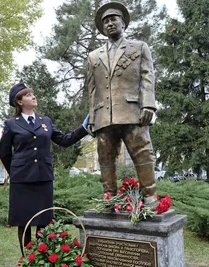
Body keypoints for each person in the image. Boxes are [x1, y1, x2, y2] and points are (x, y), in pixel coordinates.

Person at [0, 82, 89, 256]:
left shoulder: (45, 121)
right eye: (28, 94)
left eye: (33, 93)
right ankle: (26, 259)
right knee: (23, 223)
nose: (34, 96)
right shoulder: (11, 124)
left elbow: (64, 140)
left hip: (43, 178)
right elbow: (4, 154)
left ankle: (41, 258)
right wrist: (16, 172)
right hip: (22, 181)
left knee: (43, 221)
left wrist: (84, 128)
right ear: (19, 101)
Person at [87, 2, 157, 204]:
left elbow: (147, 76)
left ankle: (150, 194)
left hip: (132, 110)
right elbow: (92, 89)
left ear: (123, 23)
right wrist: (92, 118)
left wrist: (148, 104)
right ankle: (110, 197)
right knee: (105, 157)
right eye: (105, 21)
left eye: (113, 19)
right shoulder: (93, 56)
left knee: (142, 151)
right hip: (104, 114)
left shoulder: (139, 47)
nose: (109, 24)